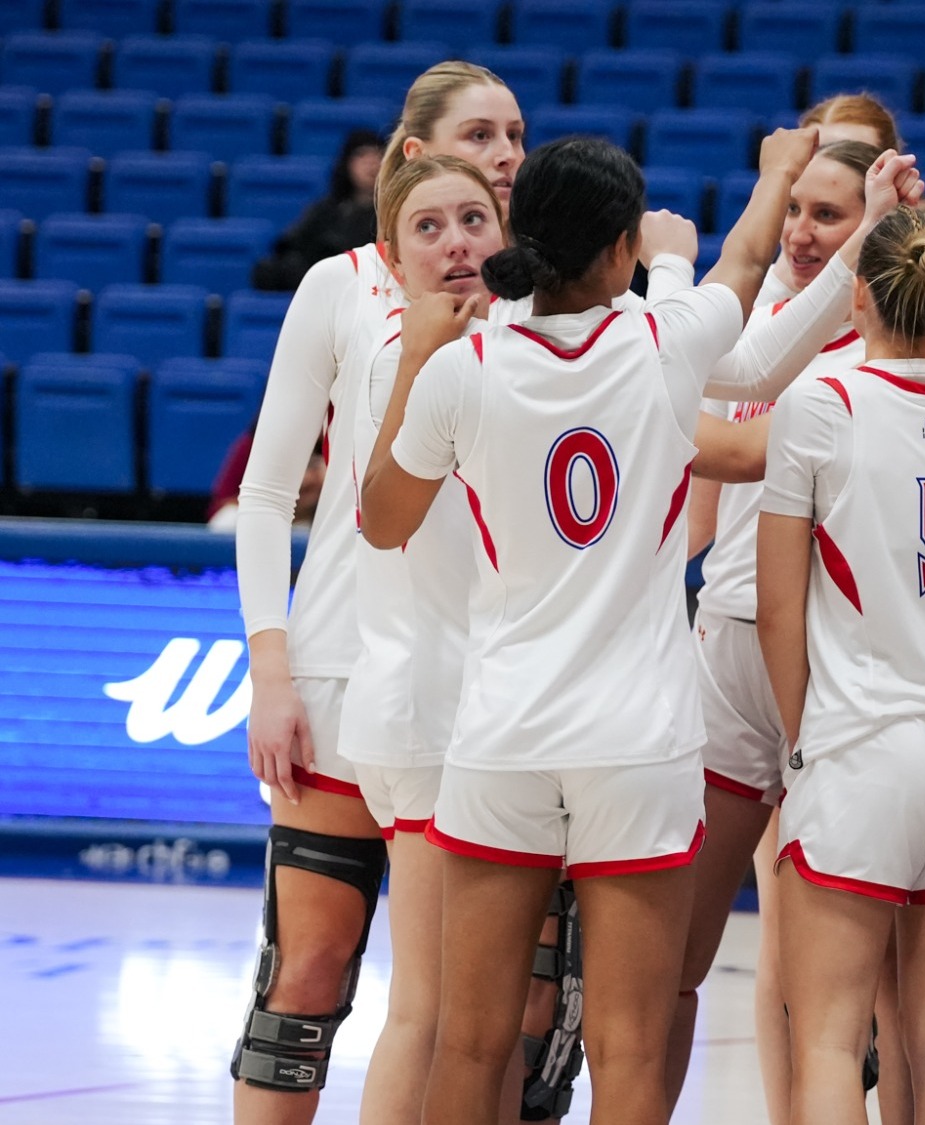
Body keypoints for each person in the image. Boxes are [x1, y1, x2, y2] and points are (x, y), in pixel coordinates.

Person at [359, 128, 815, 1125]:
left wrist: (419, 366)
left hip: (504, 735)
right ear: (620, 252)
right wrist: (777, 168)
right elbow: (740, 265)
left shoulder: (467, 367)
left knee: (471, 1044)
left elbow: (380, 523)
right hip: (637, 741)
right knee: (630, 1050)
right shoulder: (665, 340)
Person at [229, 59, 523, 1124]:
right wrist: (272, 670)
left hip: (476, 687)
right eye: (480, 135)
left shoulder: (535, 298)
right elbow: (266, 495)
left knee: (483, 1014)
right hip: (339, 669)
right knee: (304, 979)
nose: (503, 156)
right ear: (411, 156)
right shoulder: (338, 285)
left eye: (513, 139)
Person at [668, 137, 925, 1121]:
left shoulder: (908, 342)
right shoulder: (760, 320)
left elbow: (717, 437)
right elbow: (715, 445)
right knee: (689, 958)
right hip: (739, 645)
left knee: (871, 986)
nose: (809, 232)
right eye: (801, 211)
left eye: (836, 214)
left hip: (856, 664)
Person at [755, 203, 925, 1125]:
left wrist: (799, 738)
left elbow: (778, 605)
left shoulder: (820, 402)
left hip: (865, 737)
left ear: (858, 295)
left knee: (827, 1036)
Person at [335, 153, 508, 1125]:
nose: (454, 245)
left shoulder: (486, 344)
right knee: (433, 1015)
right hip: (428, 709)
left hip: (444, 704)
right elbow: (381, 515)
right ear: (391, 255)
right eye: (429, 229)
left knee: (462, 1016)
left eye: (472, 222)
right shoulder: (406, 352)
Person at [255, 128, 386, 291]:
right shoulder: (326, 209)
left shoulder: (392, 213)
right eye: (361, 155)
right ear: (346, 163)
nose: (371, 162)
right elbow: (291, 245)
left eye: (378, 155)